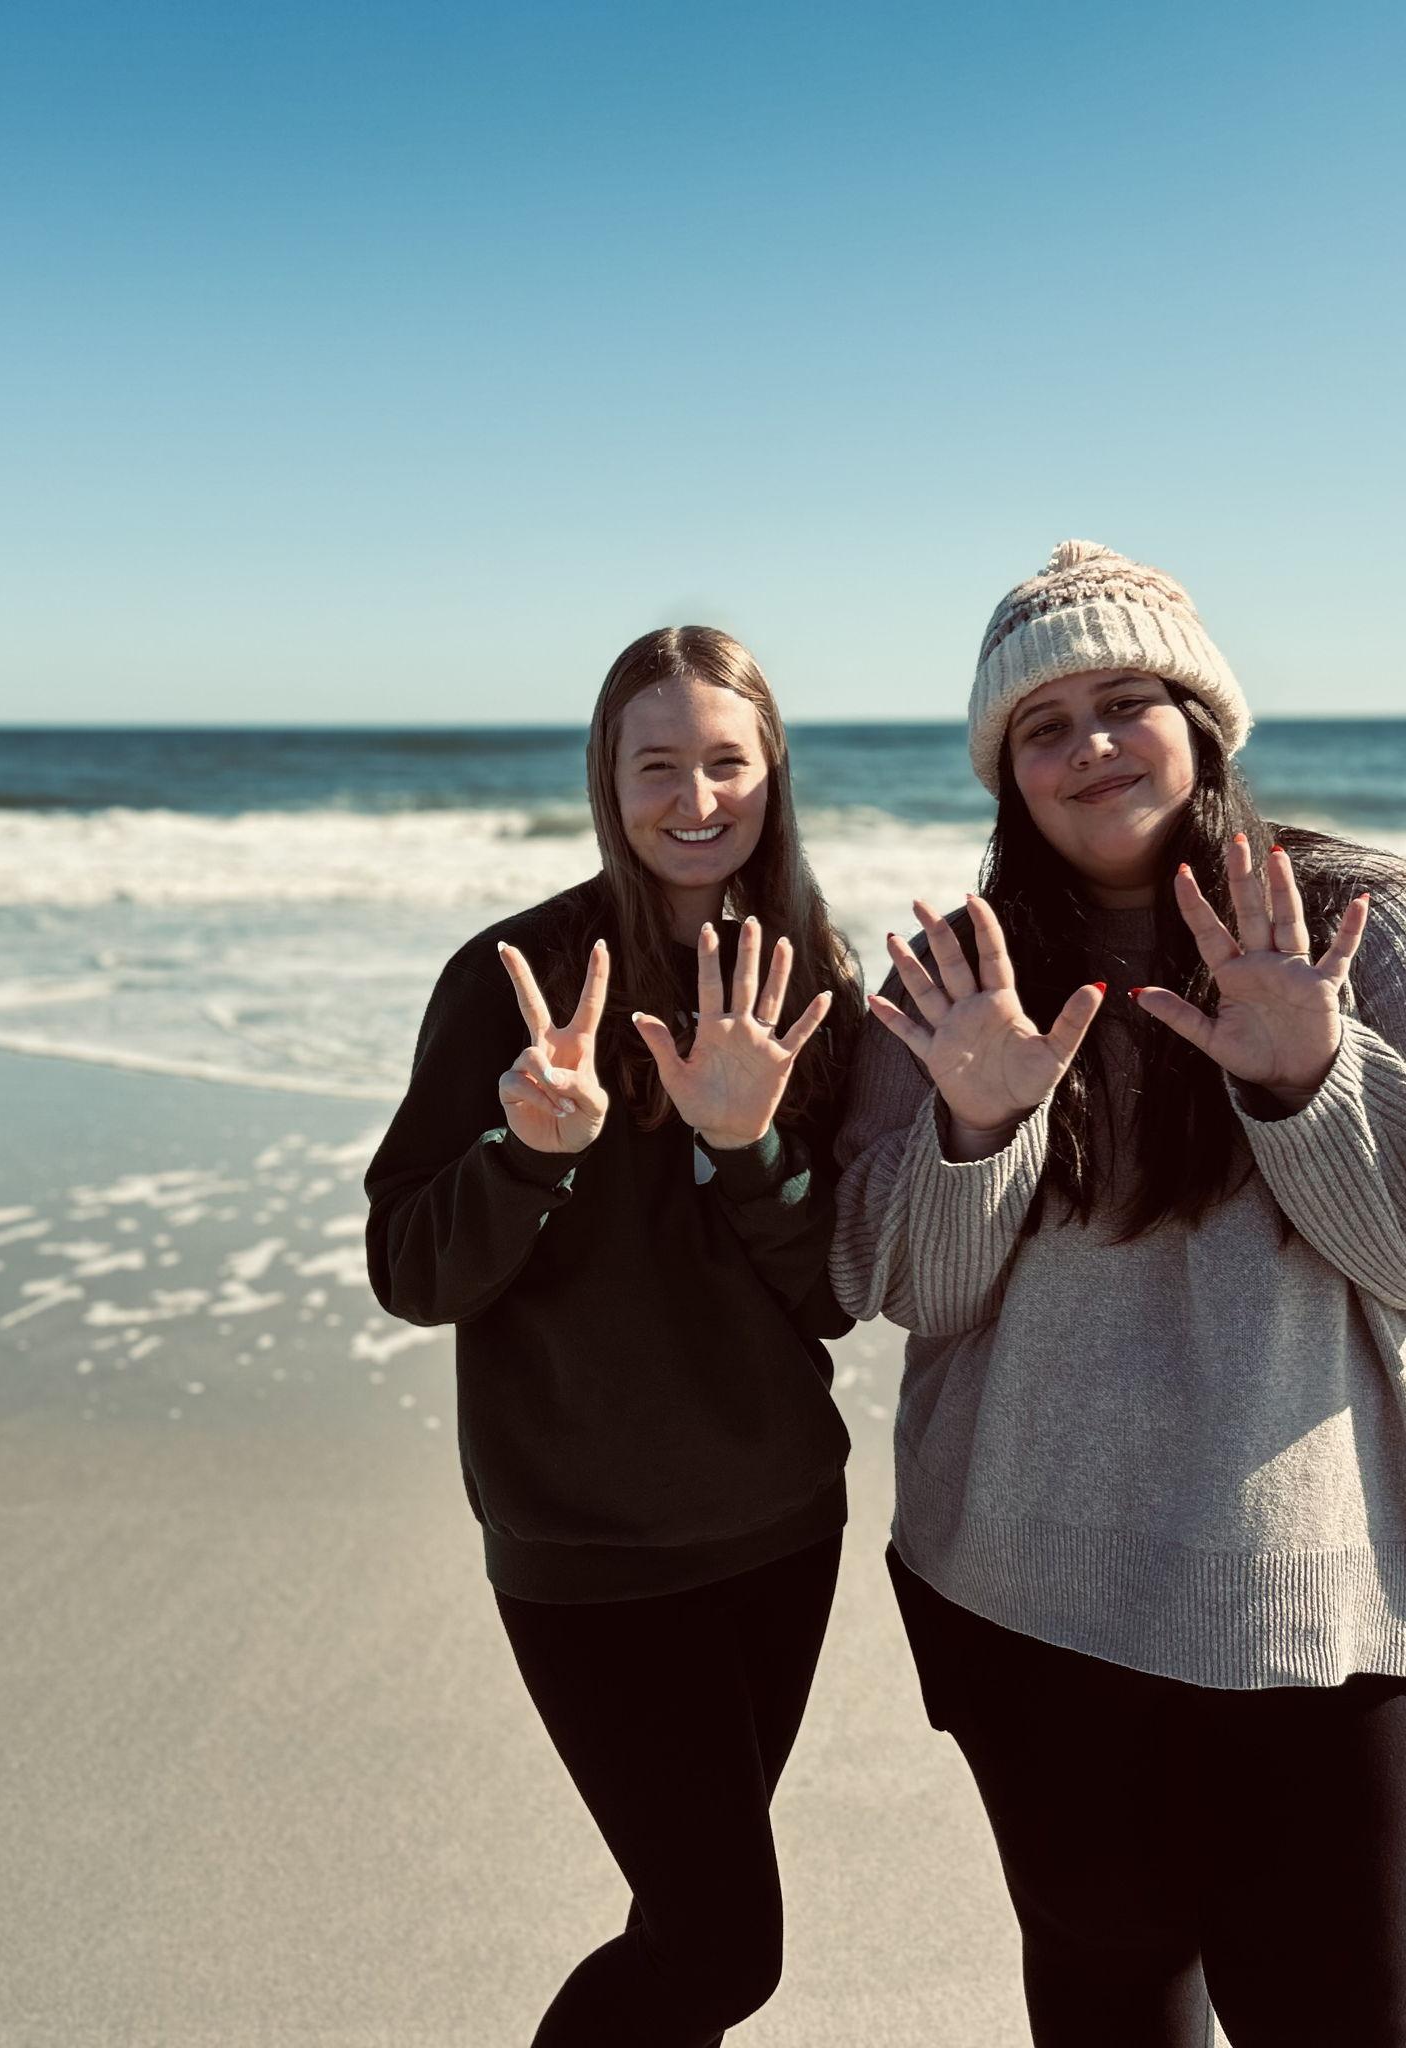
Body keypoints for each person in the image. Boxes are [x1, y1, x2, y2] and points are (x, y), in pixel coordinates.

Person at [831, 540, 1406, 2047]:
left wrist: (1316, 1078)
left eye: (1126, 700)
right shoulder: (958, 976)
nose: (1090, 747)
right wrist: (977, 1125)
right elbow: (888, 1280)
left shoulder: (1369, 923)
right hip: (1026, 1603)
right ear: (1006, 770)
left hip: (1339, 1623)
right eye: (1042, 727)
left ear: (1203, 725)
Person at [365, 625, 860, 2047]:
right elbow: (411, 1269)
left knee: (683, 1931)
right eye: (659, 765)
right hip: (588, 1555)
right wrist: (529, 1154)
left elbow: (831, 1290)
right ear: (607, 777)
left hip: (777, 1528)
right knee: (723, 1952)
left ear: (773, 776)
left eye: (726, 761)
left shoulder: (812, 982)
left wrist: (749, 1141)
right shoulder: (510, 979)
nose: (696, 799)